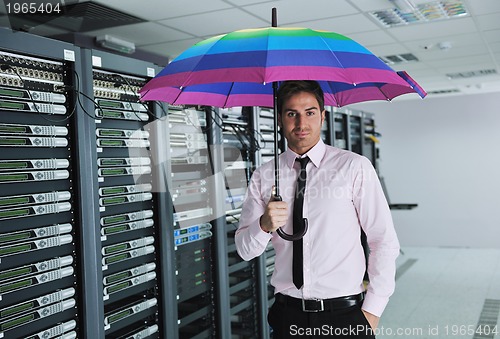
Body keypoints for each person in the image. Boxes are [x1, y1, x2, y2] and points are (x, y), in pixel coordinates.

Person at [235, 80, 400, 338]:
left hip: (345, 314)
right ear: (279, 119)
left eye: (310, 113)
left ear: (322, 116)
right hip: (287, 314)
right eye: (292, 114)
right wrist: (264, 226)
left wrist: (373, 310)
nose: (301, 124)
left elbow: (384, 240)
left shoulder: (353, 167)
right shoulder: (264, 175)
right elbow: (245, 251)